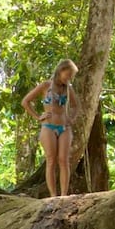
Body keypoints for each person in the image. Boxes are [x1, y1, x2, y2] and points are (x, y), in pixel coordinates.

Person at [21, 59, 79, 197]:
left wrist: (72, 118)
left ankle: (64, 195)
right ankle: (53, 195)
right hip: (48, 126)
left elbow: (76, 106)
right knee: (51, 160)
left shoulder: (68, 89)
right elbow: (25, 101)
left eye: (72, 76)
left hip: (64, 127)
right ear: (61, 71)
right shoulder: (46, 85)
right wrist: (37, 116)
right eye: (68, 74)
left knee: (63, 160)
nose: (69, 78)